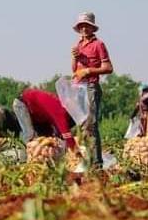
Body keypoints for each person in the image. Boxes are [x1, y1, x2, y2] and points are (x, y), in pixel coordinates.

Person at [71, 12, 113, 168]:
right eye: (81, 26)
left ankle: (96, 163)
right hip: (78, 88)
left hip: (90, 87)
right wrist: (74, 58)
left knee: (91, 125)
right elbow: (74, 69)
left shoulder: (99, 44)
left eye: (86, 25)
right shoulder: (79, 45)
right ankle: (86, 161)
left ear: (92, 27)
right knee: (81, 126)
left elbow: (108, 68)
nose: (83, 28)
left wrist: (88, 71)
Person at [13, 88, 78, 151]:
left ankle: (46, 160)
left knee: (47, 140)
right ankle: (27, 158)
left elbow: (59, 132)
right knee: (31, 137)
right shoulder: (60, 110)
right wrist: (74, 149)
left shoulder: (61, 112)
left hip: (38, 115)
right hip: (22, 104)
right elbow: (65, 131)